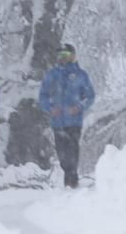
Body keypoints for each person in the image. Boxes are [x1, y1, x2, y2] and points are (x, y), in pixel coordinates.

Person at [38, 43, 95, 188]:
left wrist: (79, 107)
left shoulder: (81, 75)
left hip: (74, 122)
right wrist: (50, 108)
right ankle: (68, 177)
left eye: (67, 55)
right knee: (62, 153)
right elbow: (43, 96)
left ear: (73, 57)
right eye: (60, 55)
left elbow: (90, 96)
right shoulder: (51, 75)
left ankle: (72, 180)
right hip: (58, 122)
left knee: (73, 151)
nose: (63, 59)